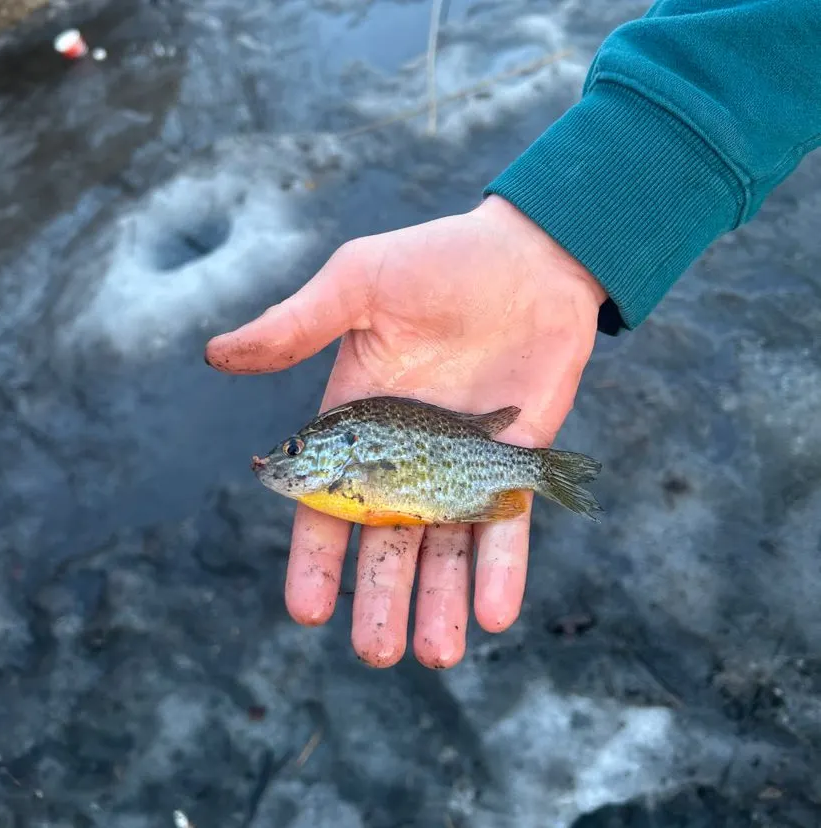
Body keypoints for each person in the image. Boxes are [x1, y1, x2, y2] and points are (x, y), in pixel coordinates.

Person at [205, 0, 821, 669]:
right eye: (293, 449)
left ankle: (541, 475)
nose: (286, 459)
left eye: (297, 448)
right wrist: (572, 228)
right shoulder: (341, 468)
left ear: (330, 448)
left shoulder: (348, 458)